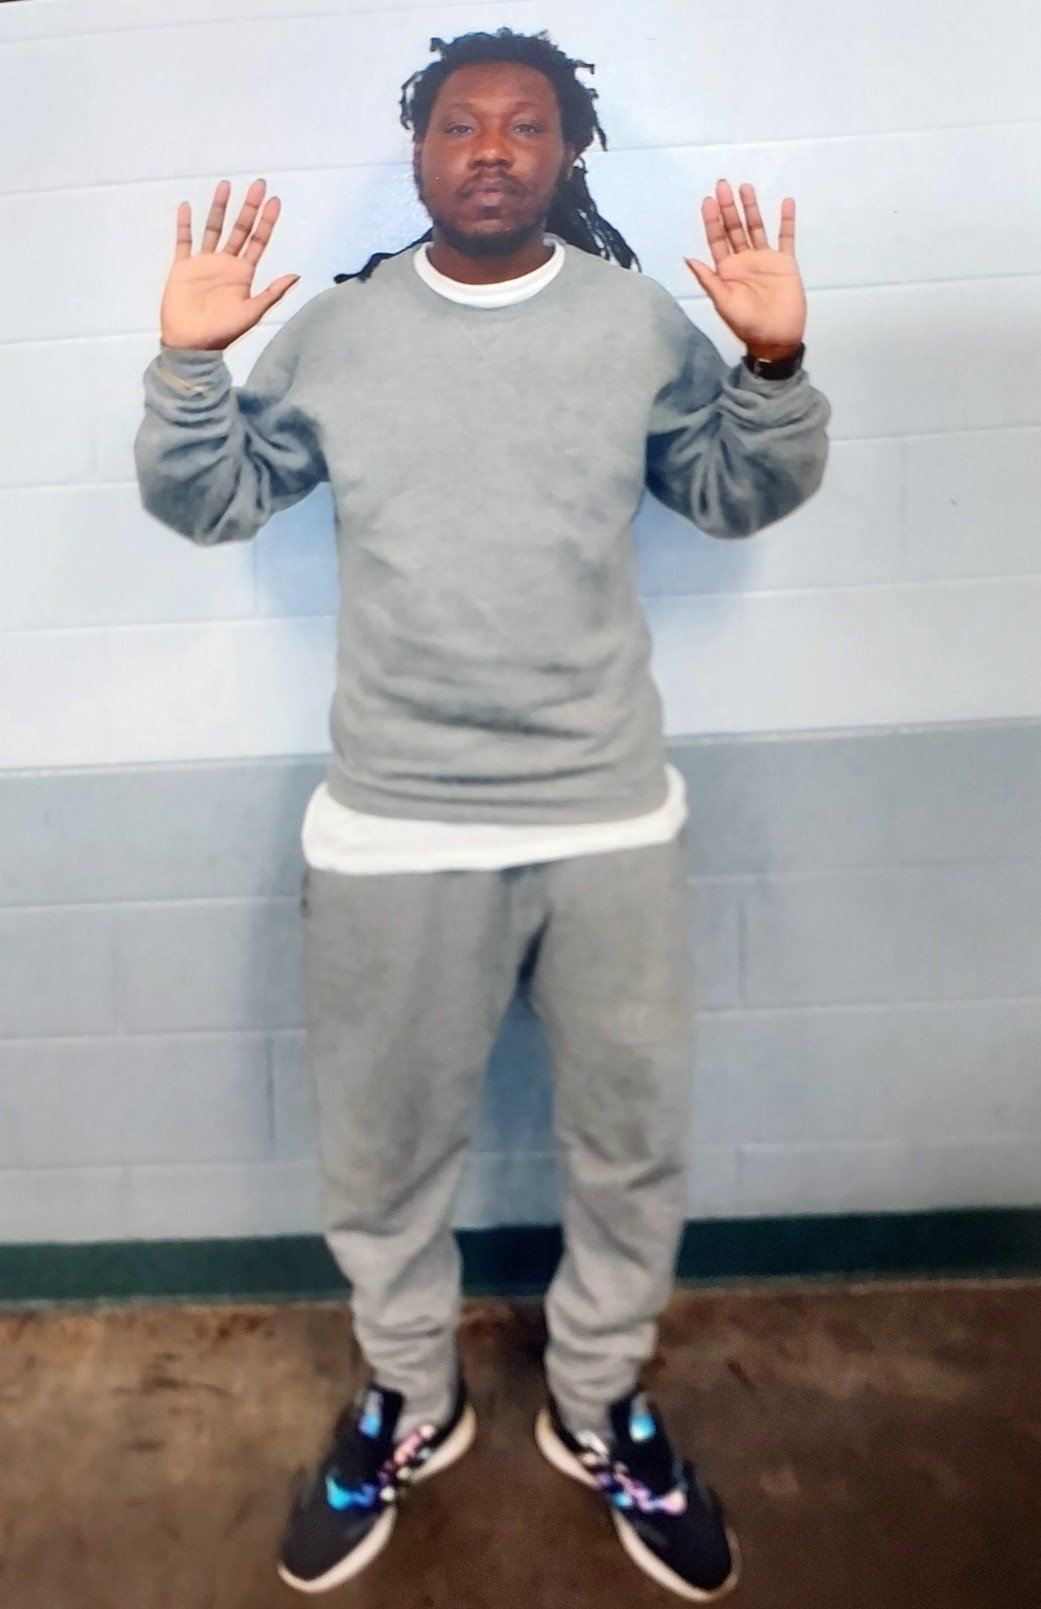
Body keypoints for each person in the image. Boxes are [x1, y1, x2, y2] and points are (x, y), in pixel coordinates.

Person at [134, 26, 830, 1601]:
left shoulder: (633, 321)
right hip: (392, 822)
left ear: (568, 152)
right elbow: (210, 500)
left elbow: (732, 493)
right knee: (381, 1163)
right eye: (463, 123)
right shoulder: (339, 331)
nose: (495, 146)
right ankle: (410, 1397)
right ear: (422, 150)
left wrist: (772, 368)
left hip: (605, 817)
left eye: (527, 123)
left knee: (629, 1150)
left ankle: (597, 1406)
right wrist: (189, 366)